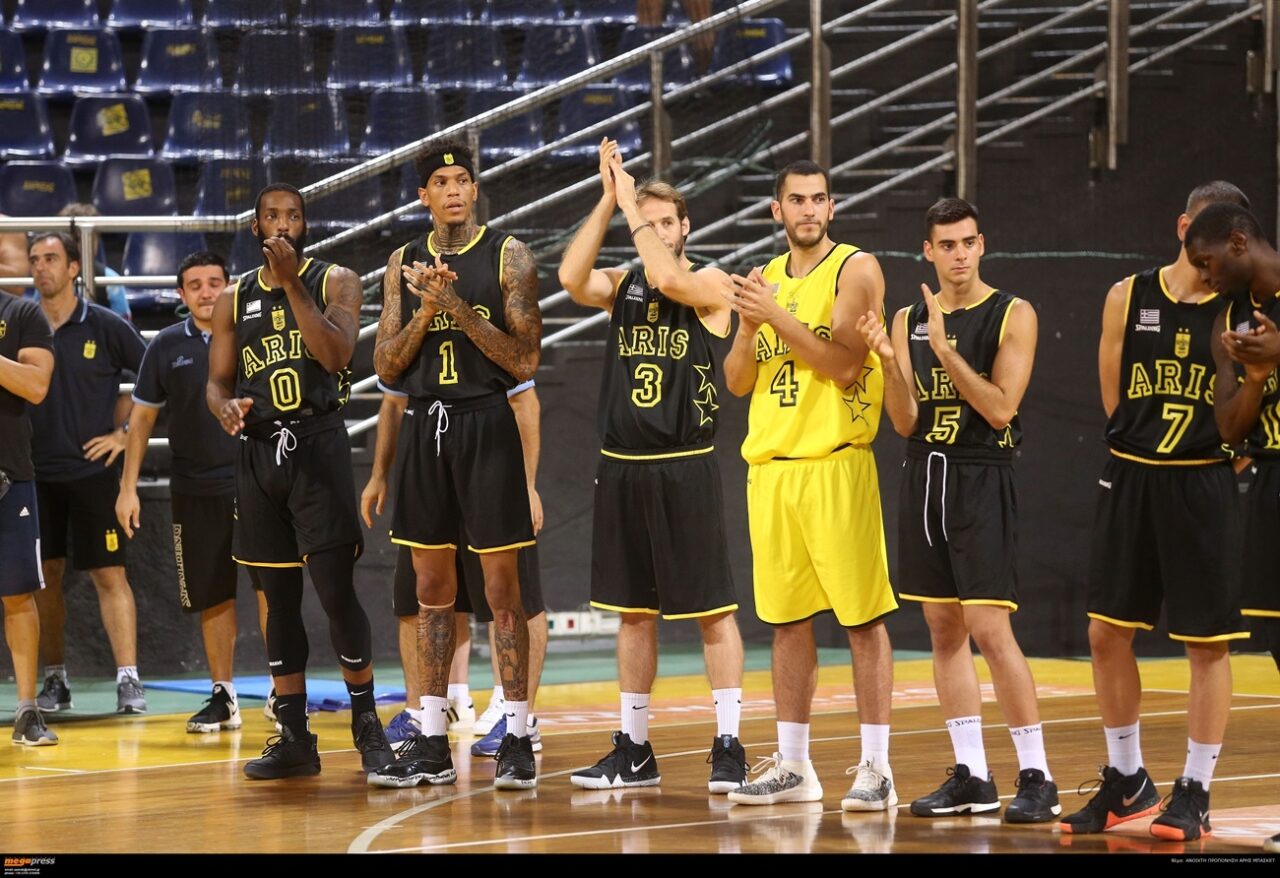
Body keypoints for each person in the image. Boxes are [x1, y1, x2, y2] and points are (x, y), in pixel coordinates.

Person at [1058, 184, 1253, 842]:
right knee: (1105, 633)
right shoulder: (1128, 295)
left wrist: (1219, 462)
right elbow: (1115, 400)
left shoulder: (1241, 310)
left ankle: (1195, 788)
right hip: (1133, 477)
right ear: (1183, 227)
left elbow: (1251, 414)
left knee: (1206, 642)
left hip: (1201, 482)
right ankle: (1126, 780)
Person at [558, 139, 748, 793]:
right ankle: (635, 749)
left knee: (712, 611)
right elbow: (571, 278)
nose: (658, 230)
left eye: (668, 221)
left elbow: (669, 280)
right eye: (651, 220)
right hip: (623, 464)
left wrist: (634, 209)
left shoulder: (712, 284)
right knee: (632, 613)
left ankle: (729, 743)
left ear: (685, 227)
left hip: (684, 463)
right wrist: (607, 200)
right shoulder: (623, 286)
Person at [858, 197, 1057, 822]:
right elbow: (904, 420)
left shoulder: (1013, 312)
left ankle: (1039, 776)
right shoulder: (907, 318)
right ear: (928, 251)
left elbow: (999, 408)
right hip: (926, 474)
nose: (959, 254)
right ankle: (972, 774)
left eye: (968, 242)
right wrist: (889, 364)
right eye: (947, 245)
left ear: (982, 244)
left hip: (981, 473)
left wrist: (946, 352)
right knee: (943, 630)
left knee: (990, 629)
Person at [721, 160, 898, 810]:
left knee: (862, 621)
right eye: (796, 200)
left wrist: (775, 316)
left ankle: (876, 768)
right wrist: (749, 328)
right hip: (772, 470)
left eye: (818, 199)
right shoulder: (765, 278)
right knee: (787, 623)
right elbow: (737, 381)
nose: (808, 210)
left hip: (835, 463)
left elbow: (846, 365)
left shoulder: (855, 268)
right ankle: (794, 766)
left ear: (832, 206)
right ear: (777, 210)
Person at [369, 143, 542, 791]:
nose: (452, 190)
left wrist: (458, 310)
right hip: (426, 429)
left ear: (474, 189)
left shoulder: (509, 255)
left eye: (462, 179)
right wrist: (425, 310)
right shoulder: (402, 262)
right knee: (431, 590)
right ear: (424, 196)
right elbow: (386, 365)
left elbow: (524, 360)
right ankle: (434, 738)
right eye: (440, 181)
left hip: (486, 425)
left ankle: (518, 734)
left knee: (502, 591)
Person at [206, 183, 392, 780]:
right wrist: (222, 407)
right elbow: (217, 381)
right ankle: (293, 735)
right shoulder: (233, 297)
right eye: (272, 216)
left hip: (317, 446)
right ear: (255, 227)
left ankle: (367, 724)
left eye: (292, 216)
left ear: (305, 225)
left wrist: (290, 284)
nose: (282, 224)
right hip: (259, 455)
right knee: (277, 601)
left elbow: (336, 355)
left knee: (335, 592)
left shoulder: (337, 280)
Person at [116, 251, 268, 734]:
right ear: (181, 294)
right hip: (195, 488)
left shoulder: (254, 335)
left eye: (214, 282)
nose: (206, 292)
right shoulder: (164, 345)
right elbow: (141, 419)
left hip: (257, 480)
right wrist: (127, 488)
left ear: (230, 287)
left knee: (272, 586)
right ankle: (224, 696)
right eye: (195, 285)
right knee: (212, 594)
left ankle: (285, 692)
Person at [360, 380, 549, 756]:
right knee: (423, 593)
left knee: (510, 595)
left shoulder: (495, 343)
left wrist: (527, 484)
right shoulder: (411, 342)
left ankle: (517, 715)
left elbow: (525, 401)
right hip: (429, 460)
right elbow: (393, 402)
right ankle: (425, 710)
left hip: (490, 461)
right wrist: (379, 474)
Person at [1184, 198, 1280, 852]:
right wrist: (1258, 375)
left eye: (1209, 261)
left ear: (1239, 242)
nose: (1205, 275)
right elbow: (1228, 427)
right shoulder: (1231, 318)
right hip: (1269, 481)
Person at [27, 232, 147, 716]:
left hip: (94, 473)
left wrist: (123, 433)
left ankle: (129, 680)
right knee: (44, 579)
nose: (41, 267)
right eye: (35, 259)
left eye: (51, 258)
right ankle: (55, 680)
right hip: (34, 474)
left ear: (74, 268)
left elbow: (154, 378)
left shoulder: (104, 324)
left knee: (110, 574)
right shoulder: (21, 323)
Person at [0, 275, 56, 744]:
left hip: (9, 476)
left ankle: (27, 710)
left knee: (18, 595)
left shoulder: (20, 313)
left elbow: (36, 385)